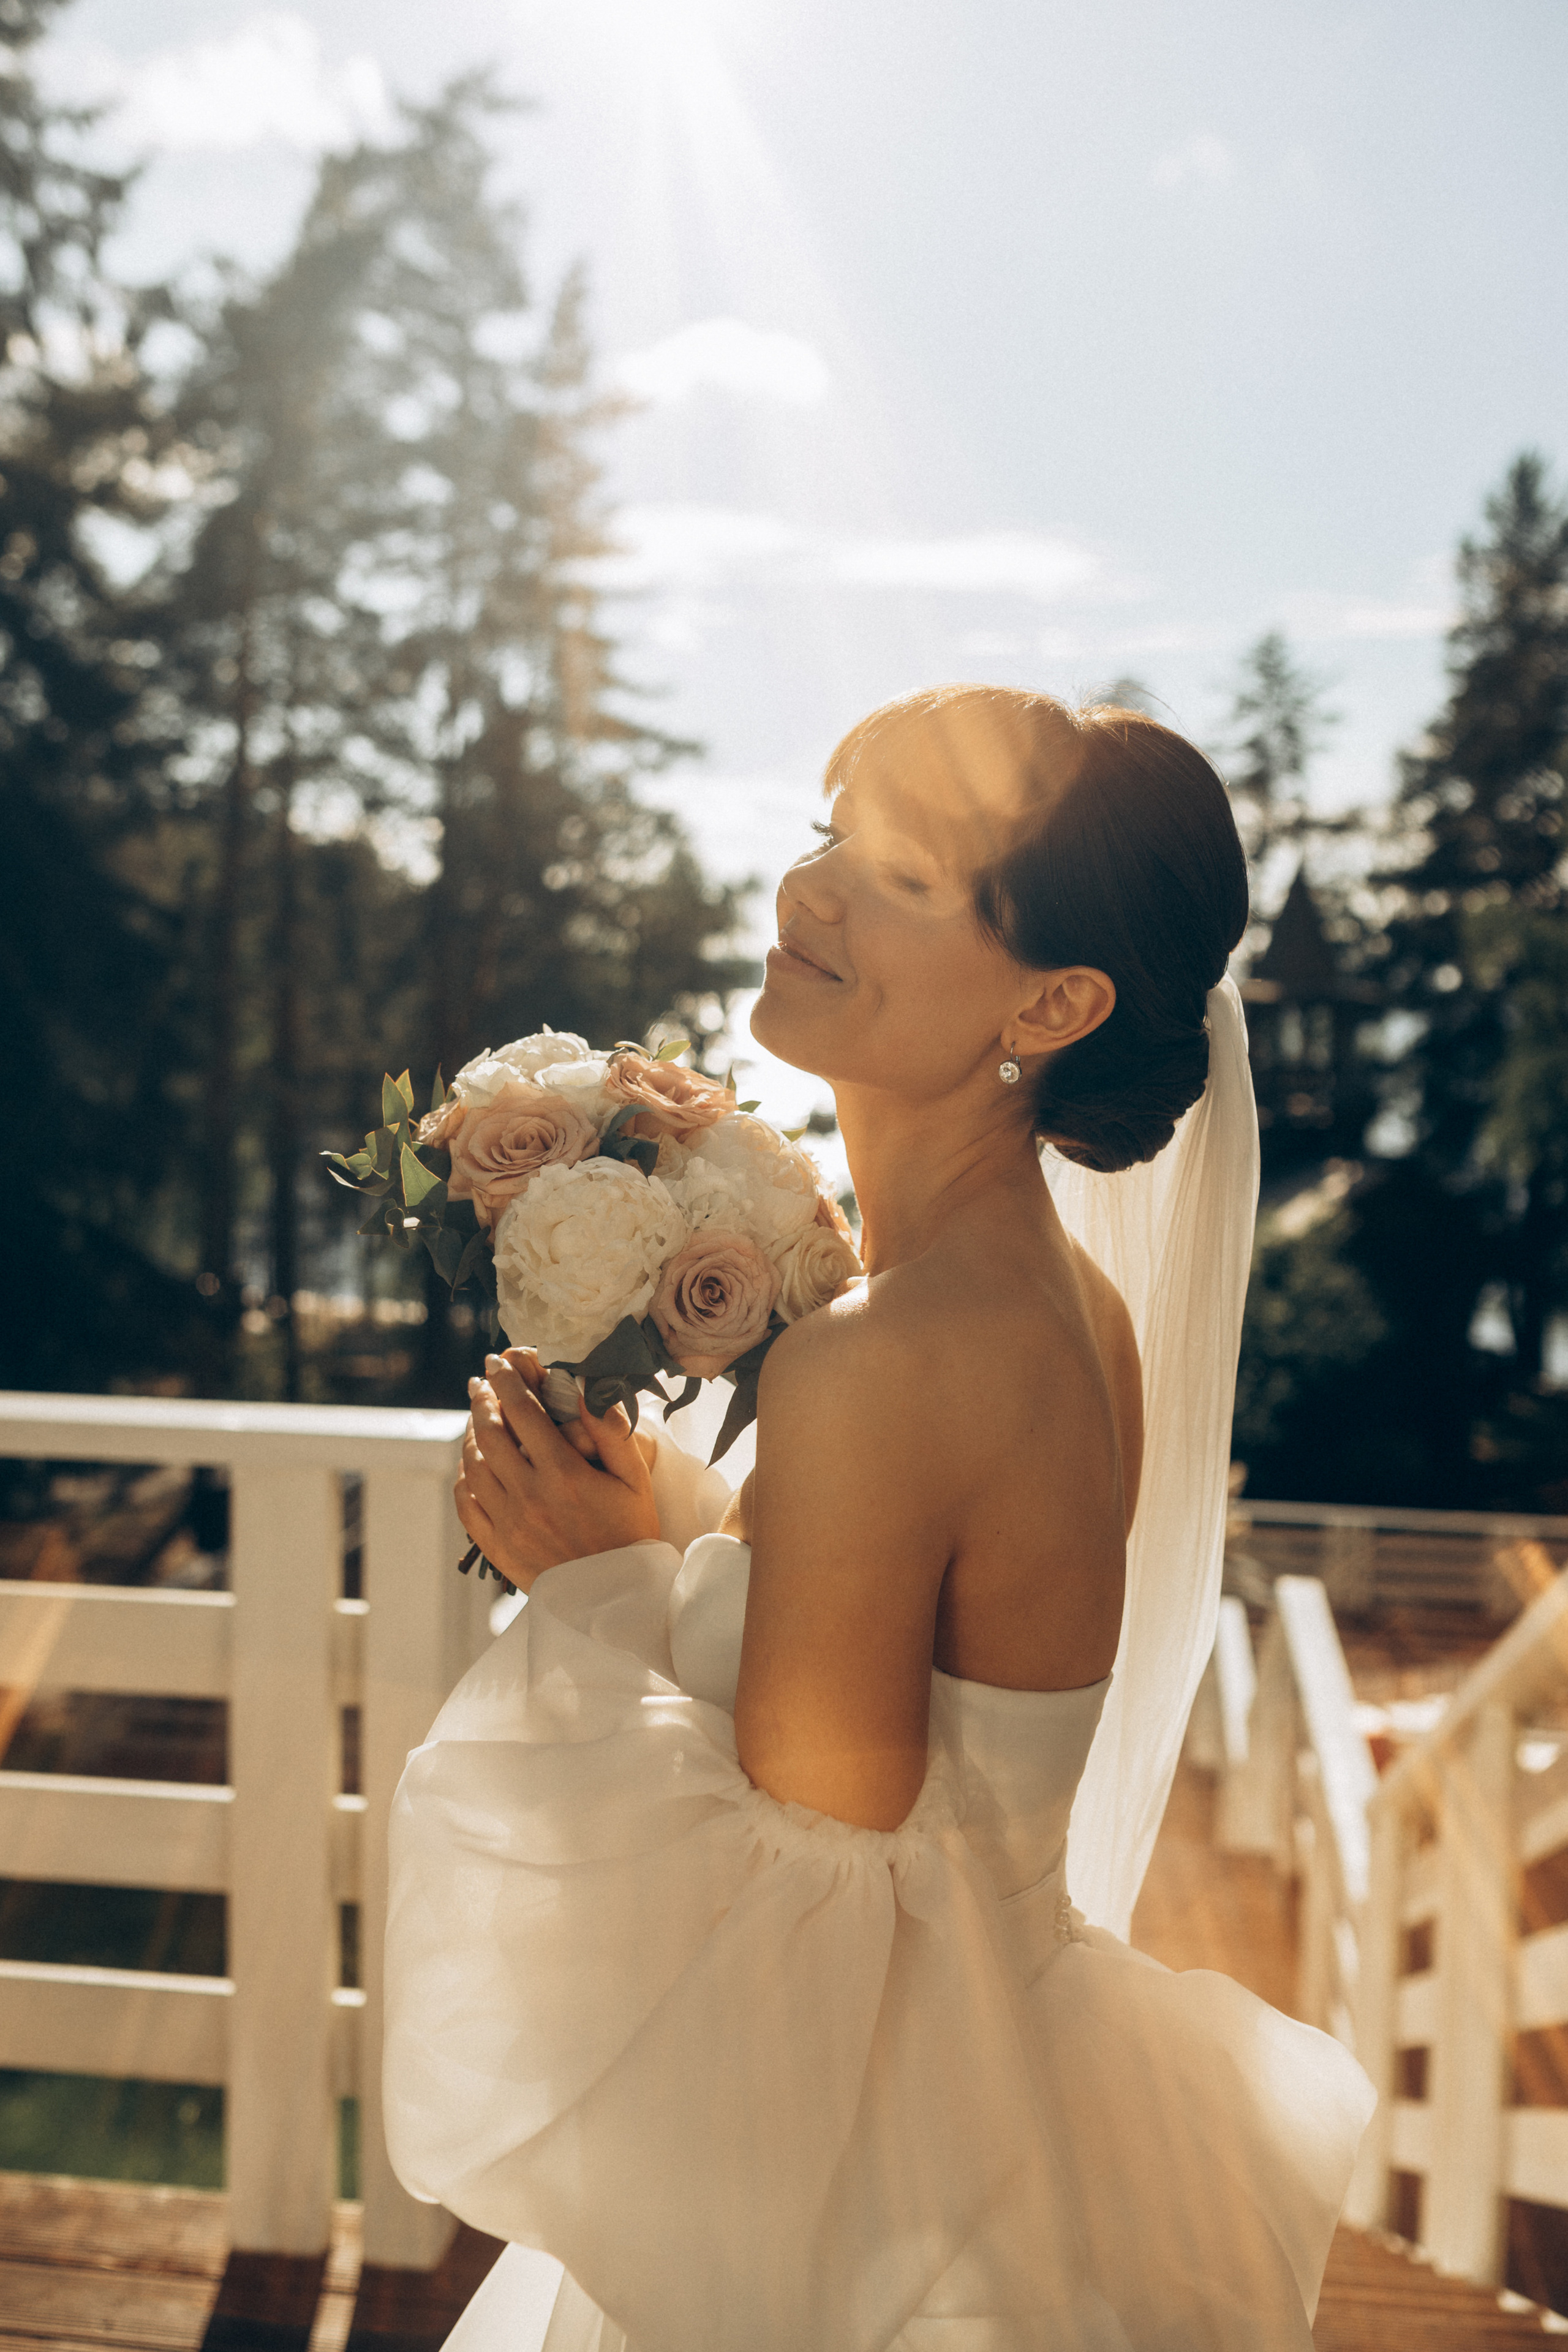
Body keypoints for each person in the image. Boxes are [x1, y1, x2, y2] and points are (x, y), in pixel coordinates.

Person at [383, 687, 1374, 2351]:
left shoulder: (883, 1360)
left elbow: (810, 1907)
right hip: (1005, 2129)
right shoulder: (1057, 1307)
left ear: (1054, 999)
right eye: (835, 834)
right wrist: (695, 1515)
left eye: (906, 873)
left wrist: (601, 1584)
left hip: (860, 2198)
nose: (812, 893)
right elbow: (908, 1669)